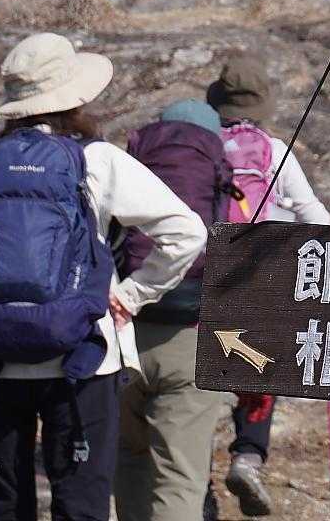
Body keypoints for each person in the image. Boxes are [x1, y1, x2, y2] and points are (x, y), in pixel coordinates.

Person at [0, 33, 207, 521]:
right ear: (75, 98)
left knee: (7, 510)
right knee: (82, 510)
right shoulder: (99, 161)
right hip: (84, 360)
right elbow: (188, 232)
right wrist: (133, 295)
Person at [205, 54, 330, 518]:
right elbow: (317, 217)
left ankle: (196, 474)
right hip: (260, 279)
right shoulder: (274, 150)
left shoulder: (203, 146)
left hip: (205, 277)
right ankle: (248, 456)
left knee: (201, 379)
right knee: (257, 366)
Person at [115, 99, 236, 521]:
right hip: (191, 338)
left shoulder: (132, 163)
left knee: (129, 458)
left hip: (124, 331)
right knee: (179, 476)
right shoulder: (220, 171)